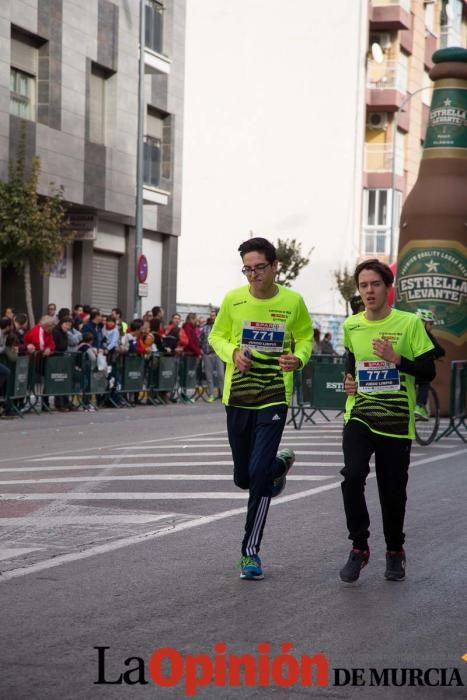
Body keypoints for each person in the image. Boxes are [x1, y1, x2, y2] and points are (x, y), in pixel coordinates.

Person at [209, 237, 312, 580]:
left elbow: (306, 337)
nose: (253, 275)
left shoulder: (292, 301)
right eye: (247, 268)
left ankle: (250, 553)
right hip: (237, 396)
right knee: (244, 476)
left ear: (274, 266)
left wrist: (298, 358)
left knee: (257, 478)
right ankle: (278, 466)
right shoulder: (233, 300)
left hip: (273, 396)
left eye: (259, 268)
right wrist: (232, 353)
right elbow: (217, 336)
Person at [339, 259, 436, 585]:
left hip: (395, 418)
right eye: (363, 285)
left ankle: (395, 550)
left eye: (375, 284)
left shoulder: (409, 324)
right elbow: (351, 360)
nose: (368, 290)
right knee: (352, 476)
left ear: (387, 288)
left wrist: (397, 359)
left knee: (392, 490)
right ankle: (359, 547)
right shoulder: (351, 325)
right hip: (361, 412)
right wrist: (349, 381)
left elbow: (428, 370)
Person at [414, 309, 445, 420]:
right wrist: (436, 355)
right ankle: (419, 406)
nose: (432, 326)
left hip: (406, 367)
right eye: (430, 323)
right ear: (422, 322)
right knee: (424, 381)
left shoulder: (410, 331)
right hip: (418, 369)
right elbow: (439, 350)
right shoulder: (426, 334)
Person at [200, 309, 225, 401]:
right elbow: (201, 339)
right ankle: (211, 395)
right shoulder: (205, 328)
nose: (211, 317)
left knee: (221, 375)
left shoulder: (221, 327)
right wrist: (201, 349)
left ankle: (223, 394)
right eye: (211, 315)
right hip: (207, 353)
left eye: (213, 315)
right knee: (209, 376)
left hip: (218, 353)